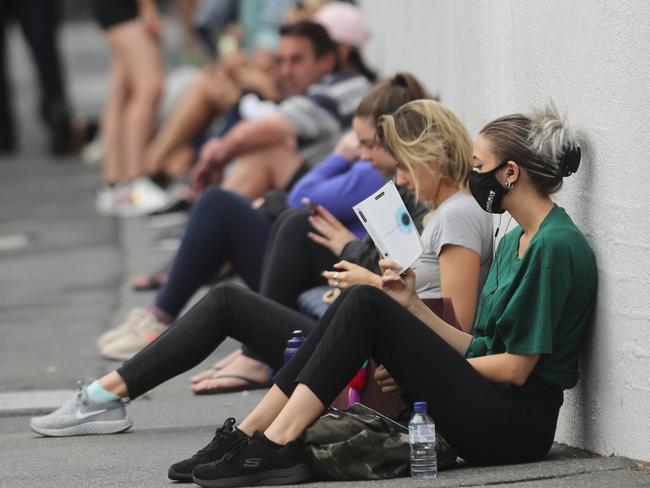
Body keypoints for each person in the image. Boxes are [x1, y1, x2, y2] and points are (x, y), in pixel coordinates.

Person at [29, 100, 500, 482]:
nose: (398, 179)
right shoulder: (439, 214)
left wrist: (372, 286)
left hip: (385, 363)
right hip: (374, 350)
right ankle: (233, 428)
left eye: (402, 166)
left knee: (231, 298)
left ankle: (110, 398)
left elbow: (458, 322)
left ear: (431, 158)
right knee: (233, 294)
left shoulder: (457, 215)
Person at [190, 20, 370, 198]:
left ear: (327, 61)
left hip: (332, 199)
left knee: (267, 151)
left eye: (296, 60)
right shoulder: (319, 88)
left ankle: (210, 210)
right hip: (315, 190)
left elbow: (247, 135)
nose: (286, 71)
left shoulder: (338, 91)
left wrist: (214, 159)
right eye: (281, 61)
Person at [91, 0, 168, 217]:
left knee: (122, 92)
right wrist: (147, 7)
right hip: (125, 9)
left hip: (118, 9)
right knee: (149, 86)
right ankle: (136, 180)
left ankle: (115, 184)